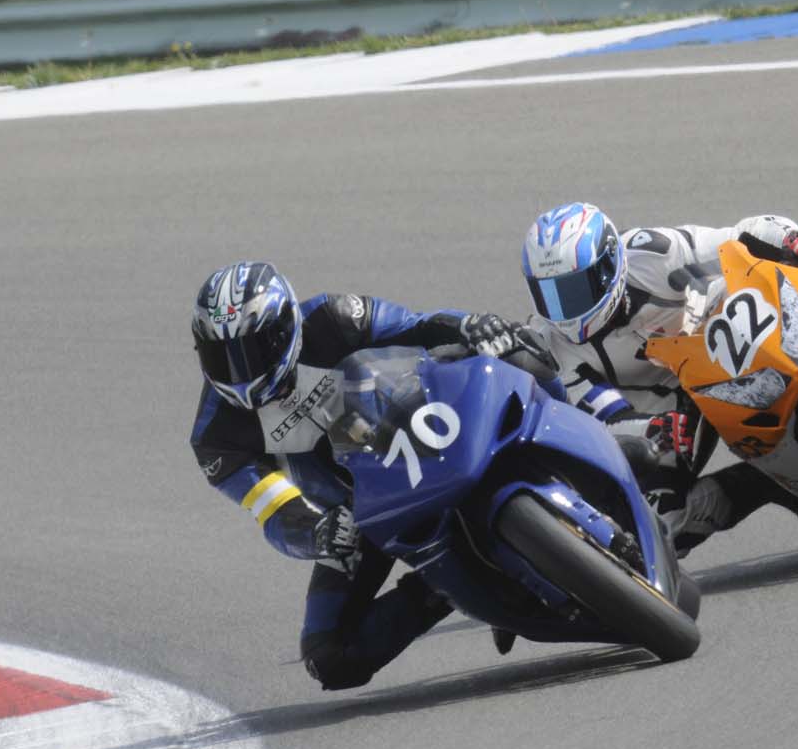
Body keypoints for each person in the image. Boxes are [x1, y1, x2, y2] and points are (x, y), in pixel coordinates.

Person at [518, 202, 798, 557]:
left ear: (610, 263)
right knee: (662, 523)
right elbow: (596, 410)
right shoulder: (549, 342)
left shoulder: (651, 253)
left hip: (717, 339)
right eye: (550, 294)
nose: (565, 309)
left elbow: (739, 237)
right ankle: (766, 485)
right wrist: (646, 430)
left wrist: (794, 239)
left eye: (576, 289)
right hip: (667, 412)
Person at [189, 260, 537, 690]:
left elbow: (419, 327)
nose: (241, 373)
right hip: (359, 515)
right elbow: (275, 510)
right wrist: (319, 531)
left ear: (284, 327)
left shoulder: (332, 318)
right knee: (328, 657)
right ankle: (446, 588)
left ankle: (596, 434)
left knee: (518, 349)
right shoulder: (216, 438)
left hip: (427, 433)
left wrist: (472, 326)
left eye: (253, 350)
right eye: (223, 358)